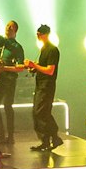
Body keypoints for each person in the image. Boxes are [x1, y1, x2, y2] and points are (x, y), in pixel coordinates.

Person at [0, 18, 26, 147]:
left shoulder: (17, 47)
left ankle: (10, 136)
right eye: (7, 26)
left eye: (11, 27)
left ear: (16, 31)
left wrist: (5, 68)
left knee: (8, 106)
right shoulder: (1, 42)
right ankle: (1, 134)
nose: (8, 28)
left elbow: (21, 67)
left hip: (9, 80)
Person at [27, 23, 62, 151]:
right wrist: (34, 68)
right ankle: (47, 140)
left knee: (40, 112)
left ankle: (54, 136)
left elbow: (50, 70)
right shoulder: (44, 49)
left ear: (45, 34)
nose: (38, 36)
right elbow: (43, 68)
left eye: (39, 34)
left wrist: (34, 66)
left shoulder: (53, 50)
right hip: (40, 85)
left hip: (47, 86)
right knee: (40, 112)